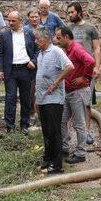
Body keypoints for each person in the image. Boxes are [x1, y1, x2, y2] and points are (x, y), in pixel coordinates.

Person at [34, 27, 74, 174]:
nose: (35, 41)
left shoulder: (56, 51)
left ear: (46, 38)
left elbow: (70, 67)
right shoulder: (40, 54)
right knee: (46, 131)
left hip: (54, 99)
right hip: (42, 98)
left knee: (54, 131)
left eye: (38, 38)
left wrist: (56, 82)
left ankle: (57, 165)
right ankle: (48, 159)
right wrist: (36, 98)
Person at [55, 27, 95, 164]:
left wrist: (85, 77)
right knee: (62, 120)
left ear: (67, 37)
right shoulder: (67, 50)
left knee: (79, 124)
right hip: (68, 91)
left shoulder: (76, 49)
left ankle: (80, 153)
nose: (57, 40)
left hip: (78, 91)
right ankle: (64, 147)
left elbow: (90, 61)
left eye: (59, 37)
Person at [0, 11, 39, 134]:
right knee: (10, 98)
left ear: (20, 21)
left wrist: (34, 61)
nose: (10, 23)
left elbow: (37, 50)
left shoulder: (29, 33)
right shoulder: (4, 35)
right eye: (9, 20)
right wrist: (0, 70)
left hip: (26, 69)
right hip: (11, 71)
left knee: (26, 98)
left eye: (13, 21)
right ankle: (10, 126)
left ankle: (24, 125)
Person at [67, 2, 101, 144]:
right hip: (71, 70)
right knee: (67, 101)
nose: (70, 15)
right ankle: (67, 132)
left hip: (87, 69)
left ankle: (87, 132)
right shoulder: (67, 29)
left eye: (72, 12)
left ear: (80, 12)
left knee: (86, 103)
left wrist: (97, 67)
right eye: (68, 12)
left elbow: (97, 49)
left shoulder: (91, 28)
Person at [27, 8, 41, 122]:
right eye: (32, 17)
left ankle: (41, 114)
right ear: (28, 18)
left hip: (42, 64)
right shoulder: (25, 30)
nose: (34, 19)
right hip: (29, 65)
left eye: (36, 16)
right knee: (30, 91)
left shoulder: (44, 30)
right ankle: (31, 113)